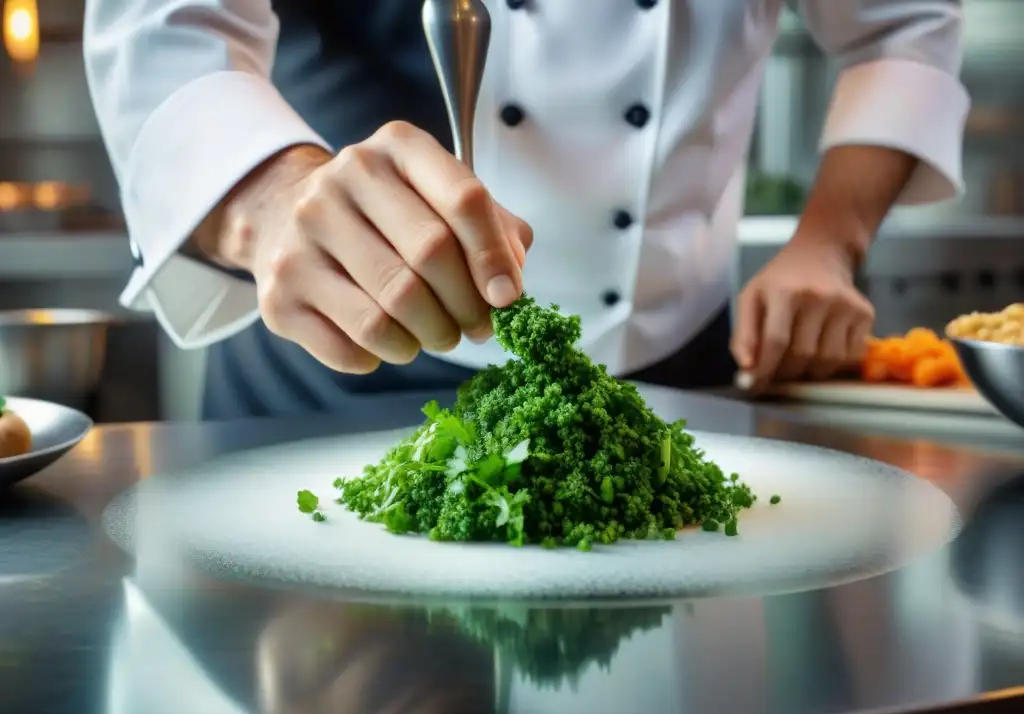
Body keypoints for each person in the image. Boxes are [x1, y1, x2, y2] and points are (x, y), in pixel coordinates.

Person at [82, 0, 969, 420]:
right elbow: (165, 26)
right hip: (322, 382)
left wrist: (827, 244)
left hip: (678, 389)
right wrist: (273, 200)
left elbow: (903, 25)